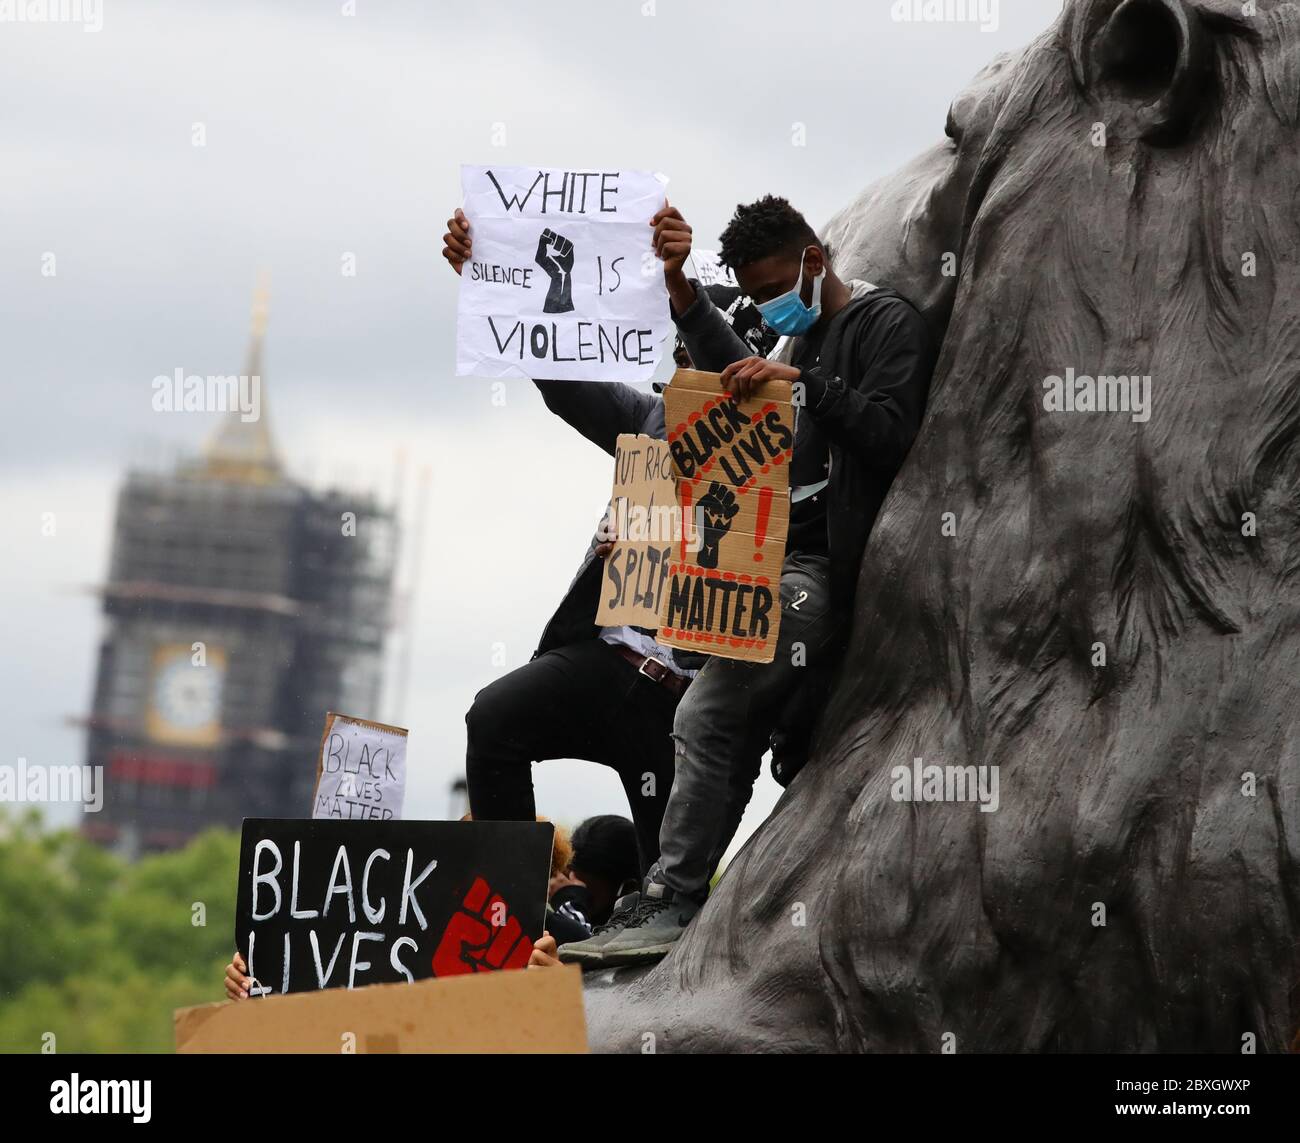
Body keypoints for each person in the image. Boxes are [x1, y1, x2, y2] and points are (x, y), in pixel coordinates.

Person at [562, 195, 936, 966]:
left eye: (774, 289)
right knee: (716, 721)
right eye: (754, 295)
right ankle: (680, 895)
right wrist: (681, 289)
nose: (768, 307)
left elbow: (894, 434)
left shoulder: (883, 324)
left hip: (825, 574)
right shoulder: (790, 337)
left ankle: (672, 893)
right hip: (758, 560)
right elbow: (729, 361)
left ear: (815, 258)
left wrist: (808, 388)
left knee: (708, 708)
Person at [440, 211, 776, 928]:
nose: (684, 367)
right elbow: (564, 383)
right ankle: (515, 918)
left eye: (700, 351)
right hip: (606, 662)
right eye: (681, 352)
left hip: (682, 701)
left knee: (668, 897)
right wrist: (491, 283)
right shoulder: (650, 419)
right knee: (493, 716)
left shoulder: (778, 440)